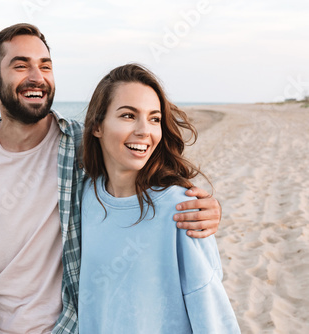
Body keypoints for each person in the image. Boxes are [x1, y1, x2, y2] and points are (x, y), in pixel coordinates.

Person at [0, 24, 223, 334]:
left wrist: (206, 207)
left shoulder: (83, 146)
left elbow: (141, 172)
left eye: (45, 65)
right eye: (20, 65)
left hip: (68, 327)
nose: (36, 77)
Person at [78, 63, 240, 333]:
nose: (145, 131)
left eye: (154, 119)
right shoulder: (86, 196)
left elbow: (211, 312)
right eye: (129, 116)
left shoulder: (182, 209)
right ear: (97, 126)